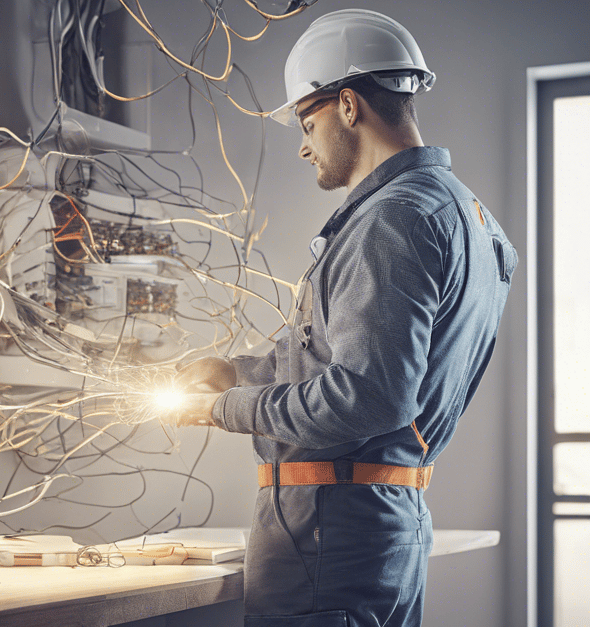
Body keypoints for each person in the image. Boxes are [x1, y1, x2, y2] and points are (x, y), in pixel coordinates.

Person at [173, 9, 517, 627]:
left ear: (350, 105)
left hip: (330, 536)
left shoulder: (393, 219)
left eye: (308, 122)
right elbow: (346, 357)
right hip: (378, 525)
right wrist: (235, 372)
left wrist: (226, 408)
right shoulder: (469, 218)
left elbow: (368, 396)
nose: (304, 145)